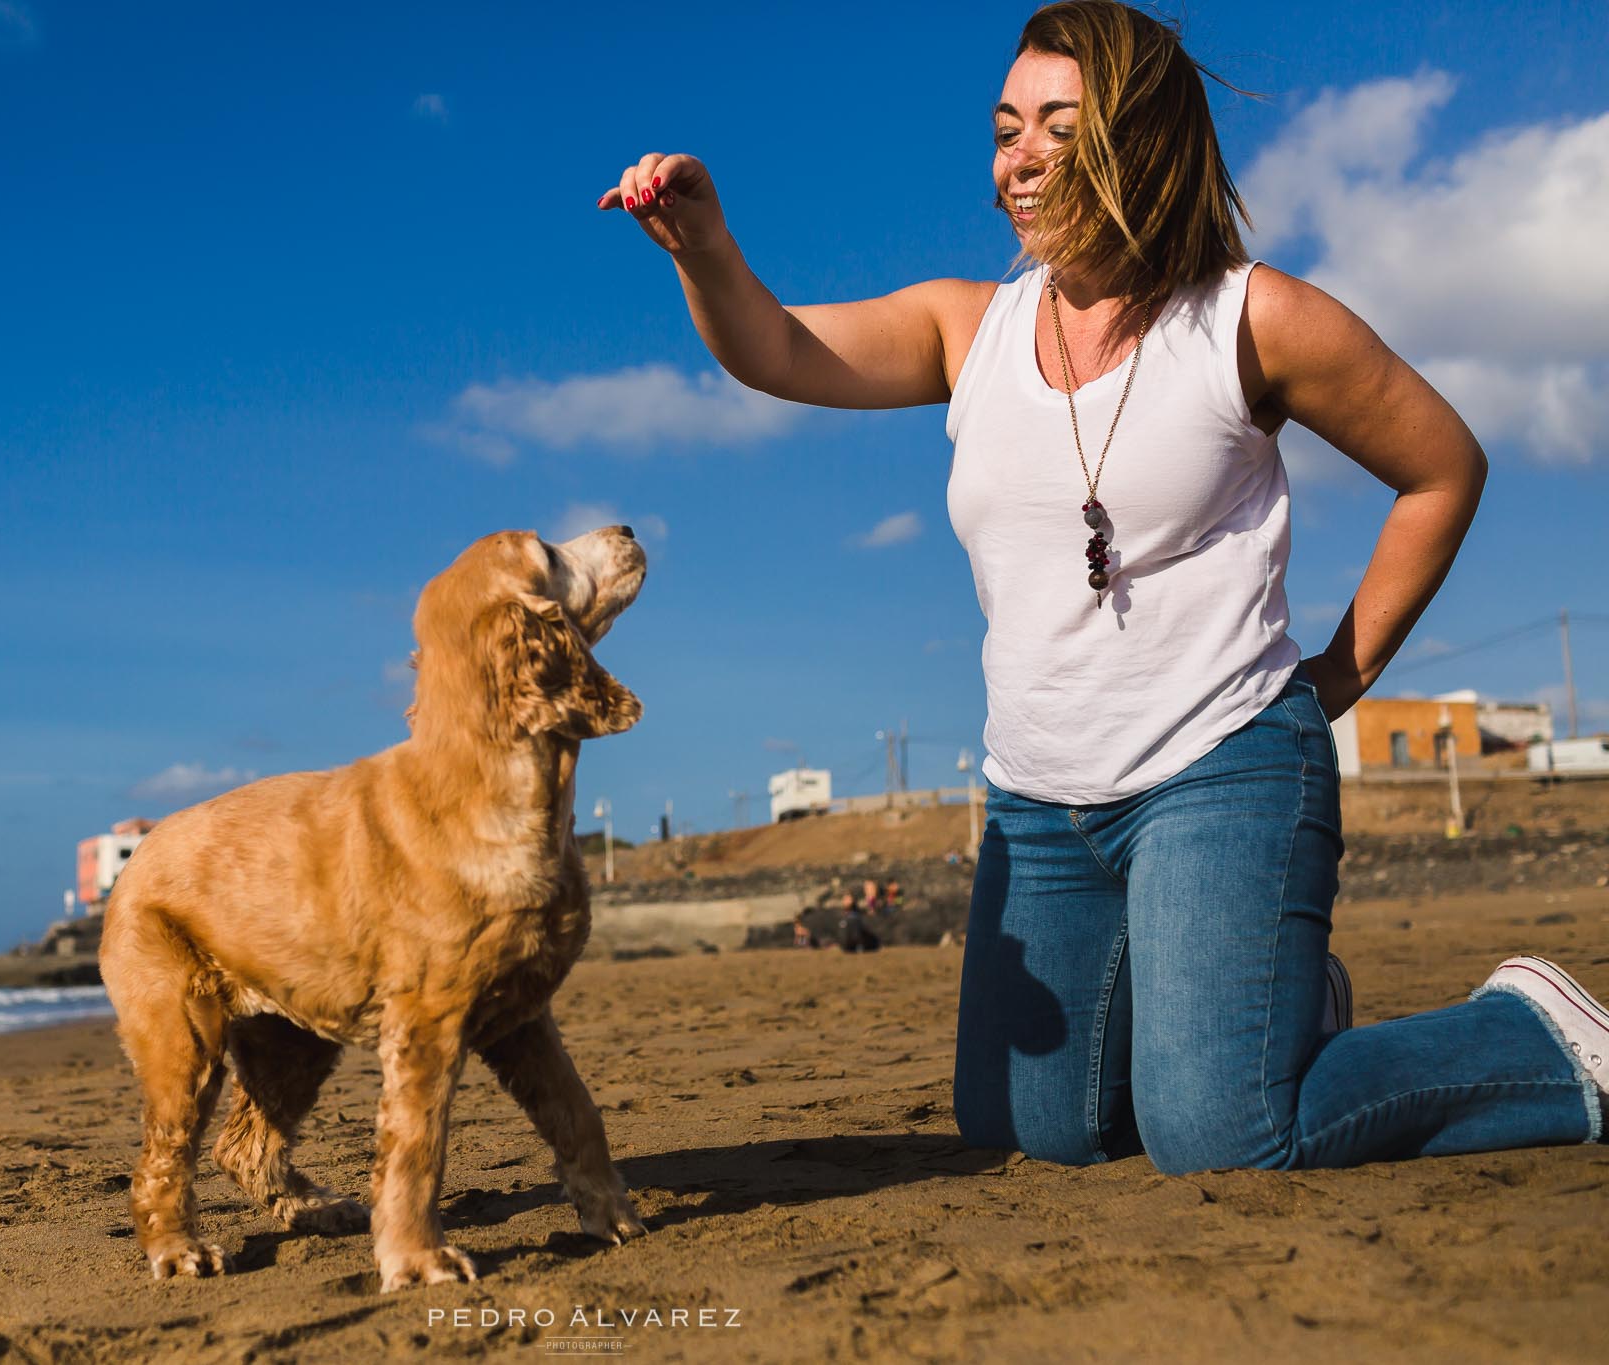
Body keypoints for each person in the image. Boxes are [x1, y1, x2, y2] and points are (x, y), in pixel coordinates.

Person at [601, 0, 1606, 1170]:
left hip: (1217, 771)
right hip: (1037, 807)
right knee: (1035, 1131)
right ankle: (1268, 1013)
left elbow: (1440, 468)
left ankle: (1530, 1033)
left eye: (1055, 130)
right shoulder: (961, 328)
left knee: (1223, 1132)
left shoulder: (1253, 319)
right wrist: (705, 248)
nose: (1016, 159)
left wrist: (1338, 675)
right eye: (1002, 128)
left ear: (1137, 142)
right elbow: (773, 350)